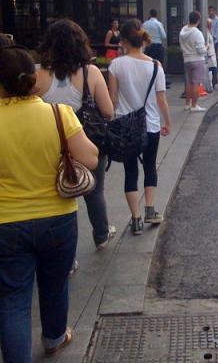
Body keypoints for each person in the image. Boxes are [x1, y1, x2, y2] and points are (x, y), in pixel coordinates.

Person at [0, 45, 99, 361]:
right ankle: (54, 338)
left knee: (13, 299)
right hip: (57, 218)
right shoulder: (58, 114)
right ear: (33, 78)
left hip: (6, 223)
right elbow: (91, 158)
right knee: (54, 286)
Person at [36, 19, 116, 250]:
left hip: (50, 146)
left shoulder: (38, 76)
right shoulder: (90, 72)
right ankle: (101, 234)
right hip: (87, 143)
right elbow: (108, 112)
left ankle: (66, 257)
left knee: (59, 199)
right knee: (95, 190)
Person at [108, 19, 171, 235]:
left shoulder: (116, 65)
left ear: (124, 41)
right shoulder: (155, 66)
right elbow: (162, 99)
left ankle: (135, 219)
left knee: (130, 171)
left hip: (125, 126)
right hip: (150, 125)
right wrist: (167, 122)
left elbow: (113, 99)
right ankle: (150, 211)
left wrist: (110, 120)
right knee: (150, 166)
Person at [179, 11, 208, 112]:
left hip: (186, 59)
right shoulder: (197, 33)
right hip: (197, 59)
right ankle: (194, 105)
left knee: (188, 83)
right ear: (198, 21)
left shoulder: (182, 31)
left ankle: (187, 104)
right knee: (195, 83)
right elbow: (201, 50)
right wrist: (206, 48)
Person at [206, 18, 218, 92]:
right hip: (210, 54)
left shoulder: (209, 32)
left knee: (213, 70)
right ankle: (211, 85)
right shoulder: (206, 33)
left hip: (212, 53)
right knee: (212, 70)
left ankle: (213, 84)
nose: (211, 25)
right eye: (210, 24)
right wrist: (208, 54)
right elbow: (207, 44)